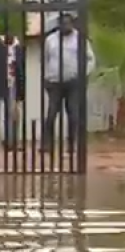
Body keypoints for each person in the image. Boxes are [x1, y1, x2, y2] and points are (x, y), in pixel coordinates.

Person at [42, 12, 95, 152]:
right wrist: (47, 77)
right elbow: (45, 59)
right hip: (54, 82)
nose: (66, 26)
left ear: (72, 24)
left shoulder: (80, 39)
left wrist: (82, 74)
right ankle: (46, 144)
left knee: (73, 113)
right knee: (51, 113)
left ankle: (72, 144)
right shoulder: (50, 40)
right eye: (63, 23)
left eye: (68, 23)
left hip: (73, 82)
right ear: (58, 25)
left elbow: (90, 59)